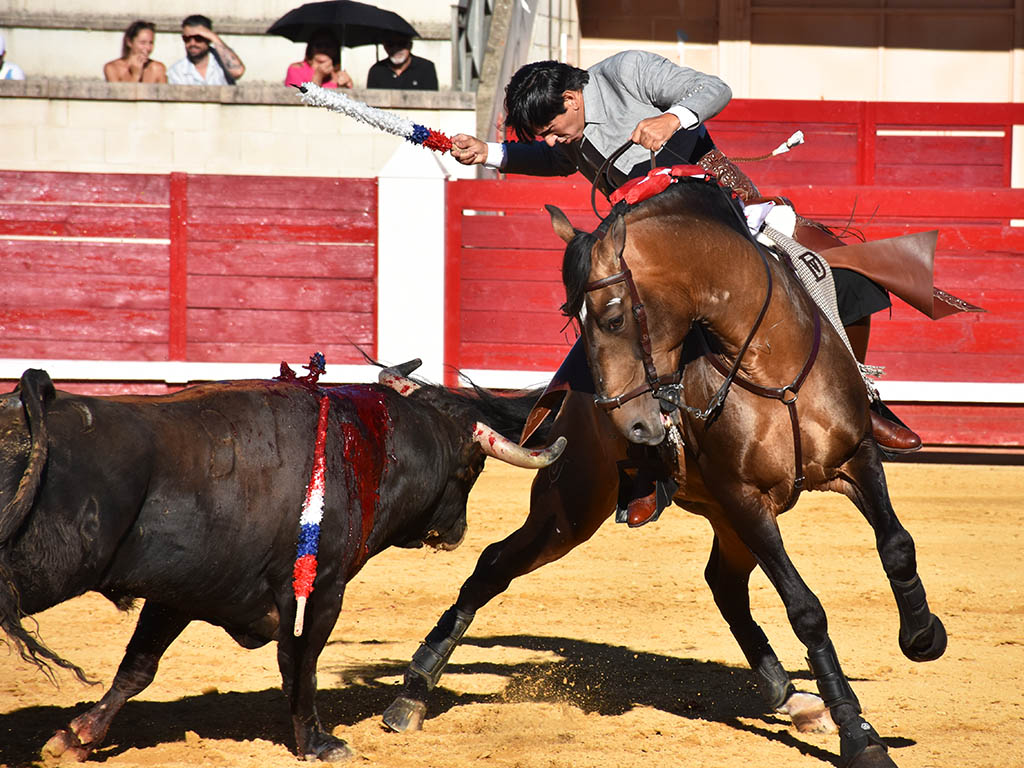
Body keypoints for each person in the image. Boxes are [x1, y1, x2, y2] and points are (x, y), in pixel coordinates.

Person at [451, 51, 920, 453]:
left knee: (822, 271)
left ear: (572, 100)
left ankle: (859, 399)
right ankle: (630, 462)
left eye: (553, 128)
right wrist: (491, 153)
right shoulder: (568, 132)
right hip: (645, 233)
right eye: (545, 135)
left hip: (711, 202)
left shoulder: (627, 71)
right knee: (613, 314)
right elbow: (557, 158)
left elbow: (713, 87)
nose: (553, 141)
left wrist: (673, 117)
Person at [167, 14, 244, 85]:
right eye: (186, 39)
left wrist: (214, 38)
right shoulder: (177, 71)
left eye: (198, 38)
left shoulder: (222, 62)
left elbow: (238, 72)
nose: (192, 43)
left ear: (208, 38)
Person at [284, 30, 353, 90]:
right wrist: (318, 76)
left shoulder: (339, 73)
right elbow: (299, 99)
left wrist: (345, 87)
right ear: (310, 48)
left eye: (328, 45)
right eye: (318, 45)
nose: (323, 49)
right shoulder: (296, 69)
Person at [366, 36, 437, 90]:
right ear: (385, 47)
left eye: (401, 44)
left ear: (410, 45)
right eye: (390, 45)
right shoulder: (376, 71)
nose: (396, 49)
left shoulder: (426, 68)